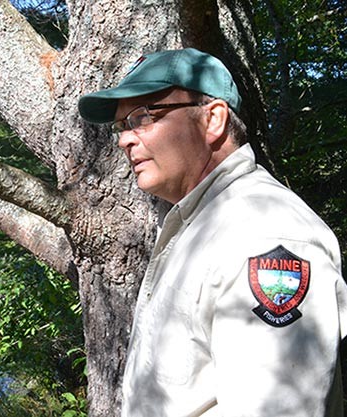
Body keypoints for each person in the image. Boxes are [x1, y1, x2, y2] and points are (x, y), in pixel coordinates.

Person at [78, 48, 347, 417]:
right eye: (122, 125)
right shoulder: (199, 222)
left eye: (143, 117)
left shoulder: (264, 234)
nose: (125, 139)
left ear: (213, 120)